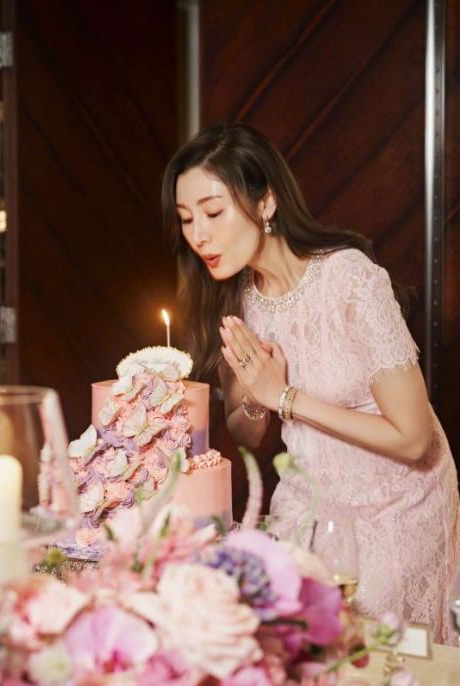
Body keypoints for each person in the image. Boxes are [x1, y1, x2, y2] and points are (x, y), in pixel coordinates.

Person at [162, 123, 460, 644]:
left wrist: (284, 397)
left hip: (399, 508)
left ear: (266, 201)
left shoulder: (350, 279)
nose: (198, 235)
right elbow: (249, 431)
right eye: (187, 219)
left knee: (379, 672)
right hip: (308, 505)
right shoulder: (233, 298)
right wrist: (258, 400)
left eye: (213, 212)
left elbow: (414, 440)